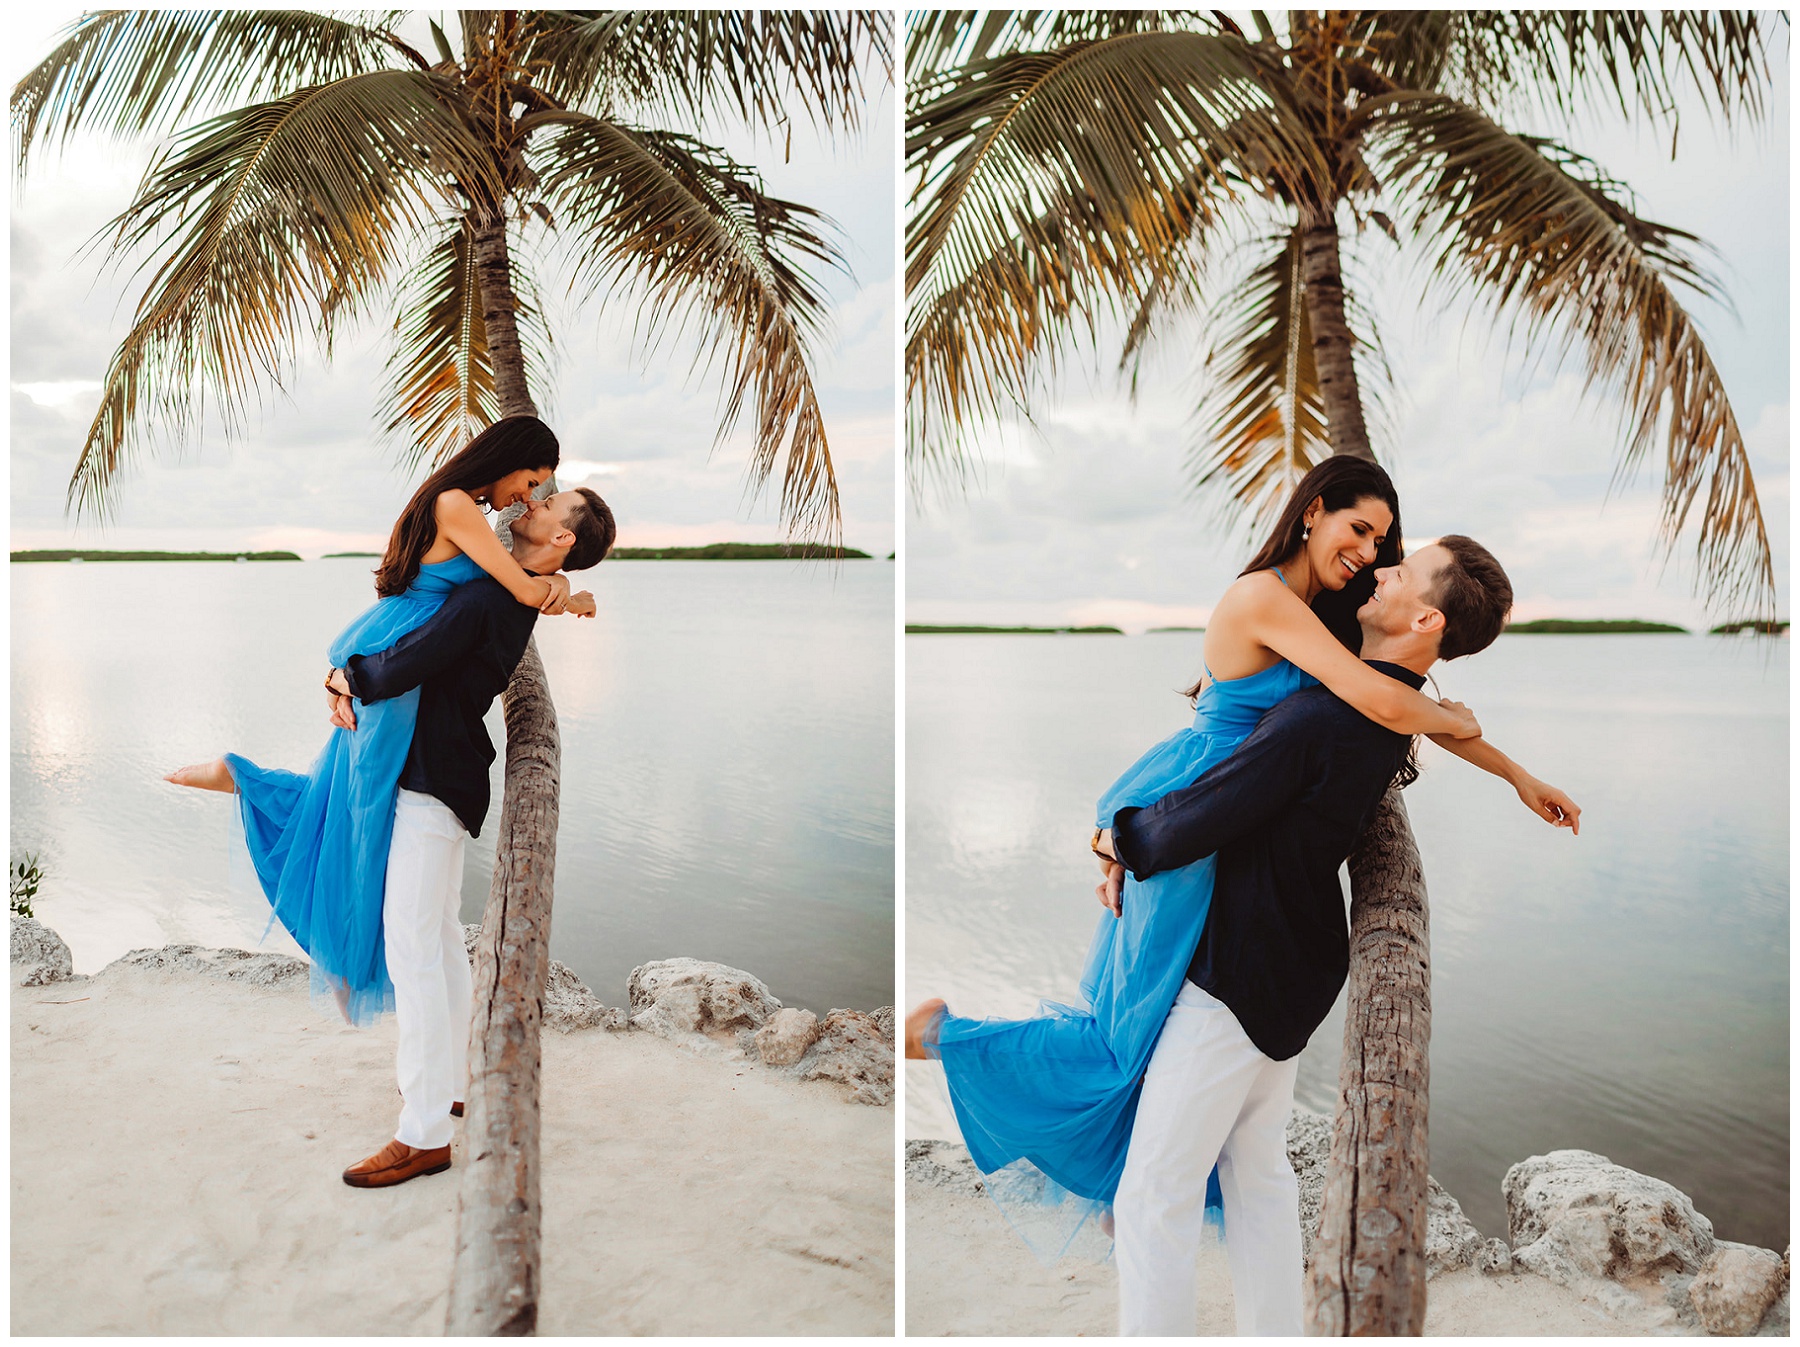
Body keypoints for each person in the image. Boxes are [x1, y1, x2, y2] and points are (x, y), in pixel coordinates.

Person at [903, 458, 1578, 1260]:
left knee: (1140, 1022)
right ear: (1313, 511)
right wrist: (1455, 721)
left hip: (1217, 811)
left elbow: (1380, 704)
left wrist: (1514, 772)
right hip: (1194, 797)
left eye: (1385, 542)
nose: (1370, 552)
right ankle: (954, 1042)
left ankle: (1115, 1164)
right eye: (1360, 529)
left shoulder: (1327, 615)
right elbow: (1382, 703)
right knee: (1130, 1023)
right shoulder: (1266, 598)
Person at [1094, 533, 1571, 1333]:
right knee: (1257, 1172)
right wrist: (1519, 771)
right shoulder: (1381, 707)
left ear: (1423, 616)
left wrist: (1116, 836)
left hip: (1237, 977)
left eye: (1403, 568)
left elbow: (1204, 813)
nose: (1381, 567)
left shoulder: (1323, 717)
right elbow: (1420, 715)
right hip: (1298, 966)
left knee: (1152, 1194)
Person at [164, 415, 597, 1025]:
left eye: (539, 492)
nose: (527, 497)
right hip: (397, 653)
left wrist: (557, 580)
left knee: (352, 794)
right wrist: (567, 590)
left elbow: (512, 586)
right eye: (530, 481)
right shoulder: (456, 505)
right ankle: (348, 959)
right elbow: (520, 593)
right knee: (363, 806)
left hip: (392, 644)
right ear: (506, 460)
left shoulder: (457, 503)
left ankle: (248, 789)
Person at [327, 487, 617, 1188]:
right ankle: (452, 1082)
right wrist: (568, 593)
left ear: (563, 537)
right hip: (447, 775)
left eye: (552, 502)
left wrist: (343, 675)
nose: (534, 502)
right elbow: (539, 585)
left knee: (413, 949)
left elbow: (411, 658)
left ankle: (423, 1133)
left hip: (433, 781)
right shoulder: (517, 585)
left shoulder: (494, 597)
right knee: (437, 945)